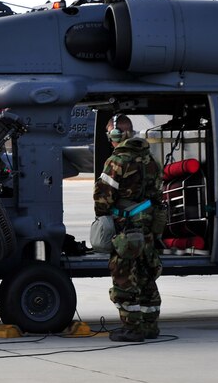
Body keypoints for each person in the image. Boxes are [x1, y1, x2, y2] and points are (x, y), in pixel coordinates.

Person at [93, 114, 165, 342]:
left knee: (124, 278)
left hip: (126, 230)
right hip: (147, 230)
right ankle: (150, 325)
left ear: (116, 135)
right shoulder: (151, 160)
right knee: (146, 277)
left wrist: (104, 220)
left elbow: (102, 199)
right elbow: (157, 196)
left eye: (110, 134)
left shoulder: (116, 161)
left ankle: (132, 328)